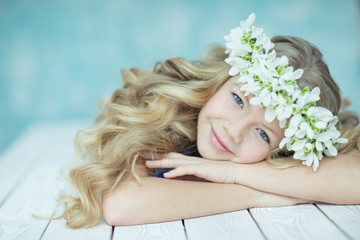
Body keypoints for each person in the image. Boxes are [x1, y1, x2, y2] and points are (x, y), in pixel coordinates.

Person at [59, 14, 360, 229]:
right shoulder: (163, 114)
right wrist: (254, 193)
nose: (233, 131)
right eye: (238, 100)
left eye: (263, 133)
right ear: (221, 80)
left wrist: (231, 172)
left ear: (283, 150)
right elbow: (121, 206)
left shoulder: (269, 160)